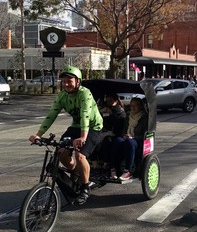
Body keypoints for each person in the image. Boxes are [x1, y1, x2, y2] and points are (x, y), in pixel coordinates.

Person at [29, 66, 103, 206]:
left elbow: (85, 115)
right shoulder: (62, 95)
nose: (66, 84)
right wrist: (38, 135)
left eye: (69, 81)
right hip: (75, 126)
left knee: (80, 156)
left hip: (92, 127)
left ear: (78, 82)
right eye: (63, 81)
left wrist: (82, 137)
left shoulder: (84, 94)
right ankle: (77, 173)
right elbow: (51, 115)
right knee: (61, 154)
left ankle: (85, 188)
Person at [111, 97, 148, 180]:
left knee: (129, 142)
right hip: (127, 138)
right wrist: (124, 135)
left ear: (141, 106)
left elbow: (145, 134)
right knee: (117, 140)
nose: (133, 108)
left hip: (138, 140)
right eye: (131, 105)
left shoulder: (144, 117)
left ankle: (127, 171)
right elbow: (124, 130)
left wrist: (132, 137)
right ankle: (113, 169)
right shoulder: (128, 117)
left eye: (136, 105)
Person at [89, 93, 126, 177]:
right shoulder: (104, 109)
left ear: (116, 101)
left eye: (111, 101)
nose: (108, 103)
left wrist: (111, 115)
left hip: (115, 133)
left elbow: (118, 126)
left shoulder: (119, 111)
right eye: (107, 101)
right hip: (103, 131)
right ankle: (95, 164)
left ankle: (106, 165)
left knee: (107, 140)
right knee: (90, 138)